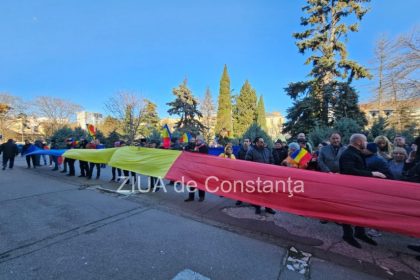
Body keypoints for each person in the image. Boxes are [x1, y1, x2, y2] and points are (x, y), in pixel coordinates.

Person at [339, 133, 386, 248]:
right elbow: (350, 171)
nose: (366, 143)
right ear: (359, 142)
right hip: (349, 189)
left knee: (360, 211)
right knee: (348, 212)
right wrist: (372, 174)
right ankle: (347, 235)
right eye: (365, 141)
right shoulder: (348, 154)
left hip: (358, 189)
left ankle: (360, 233)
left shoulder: (356, 152)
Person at [245, 136, 275, 215]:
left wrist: (271, 167)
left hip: (267, 176)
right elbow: (247, 163)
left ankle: (268, 207)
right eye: (261, 142)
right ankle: (257, 207)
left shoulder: (267, 150)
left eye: (263, 141)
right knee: (257, 193)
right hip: (256, 176)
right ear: (257, 143)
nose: (263, 143)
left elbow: (272, 159)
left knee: (267, 192)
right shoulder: (251, 151)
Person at [184, 136, 208, 202]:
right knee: (191, 183)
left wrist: (196, 152)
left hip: (201, 169)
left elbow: (204, 157)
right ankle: (191, 197)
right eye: (196, 140)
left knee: (200, 183)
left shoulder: (204, 147)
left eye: (199, 140)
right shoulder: (194, 146)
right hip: (193, 168)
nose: (197, 141)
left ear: (202, 140)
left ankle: (201, 197)